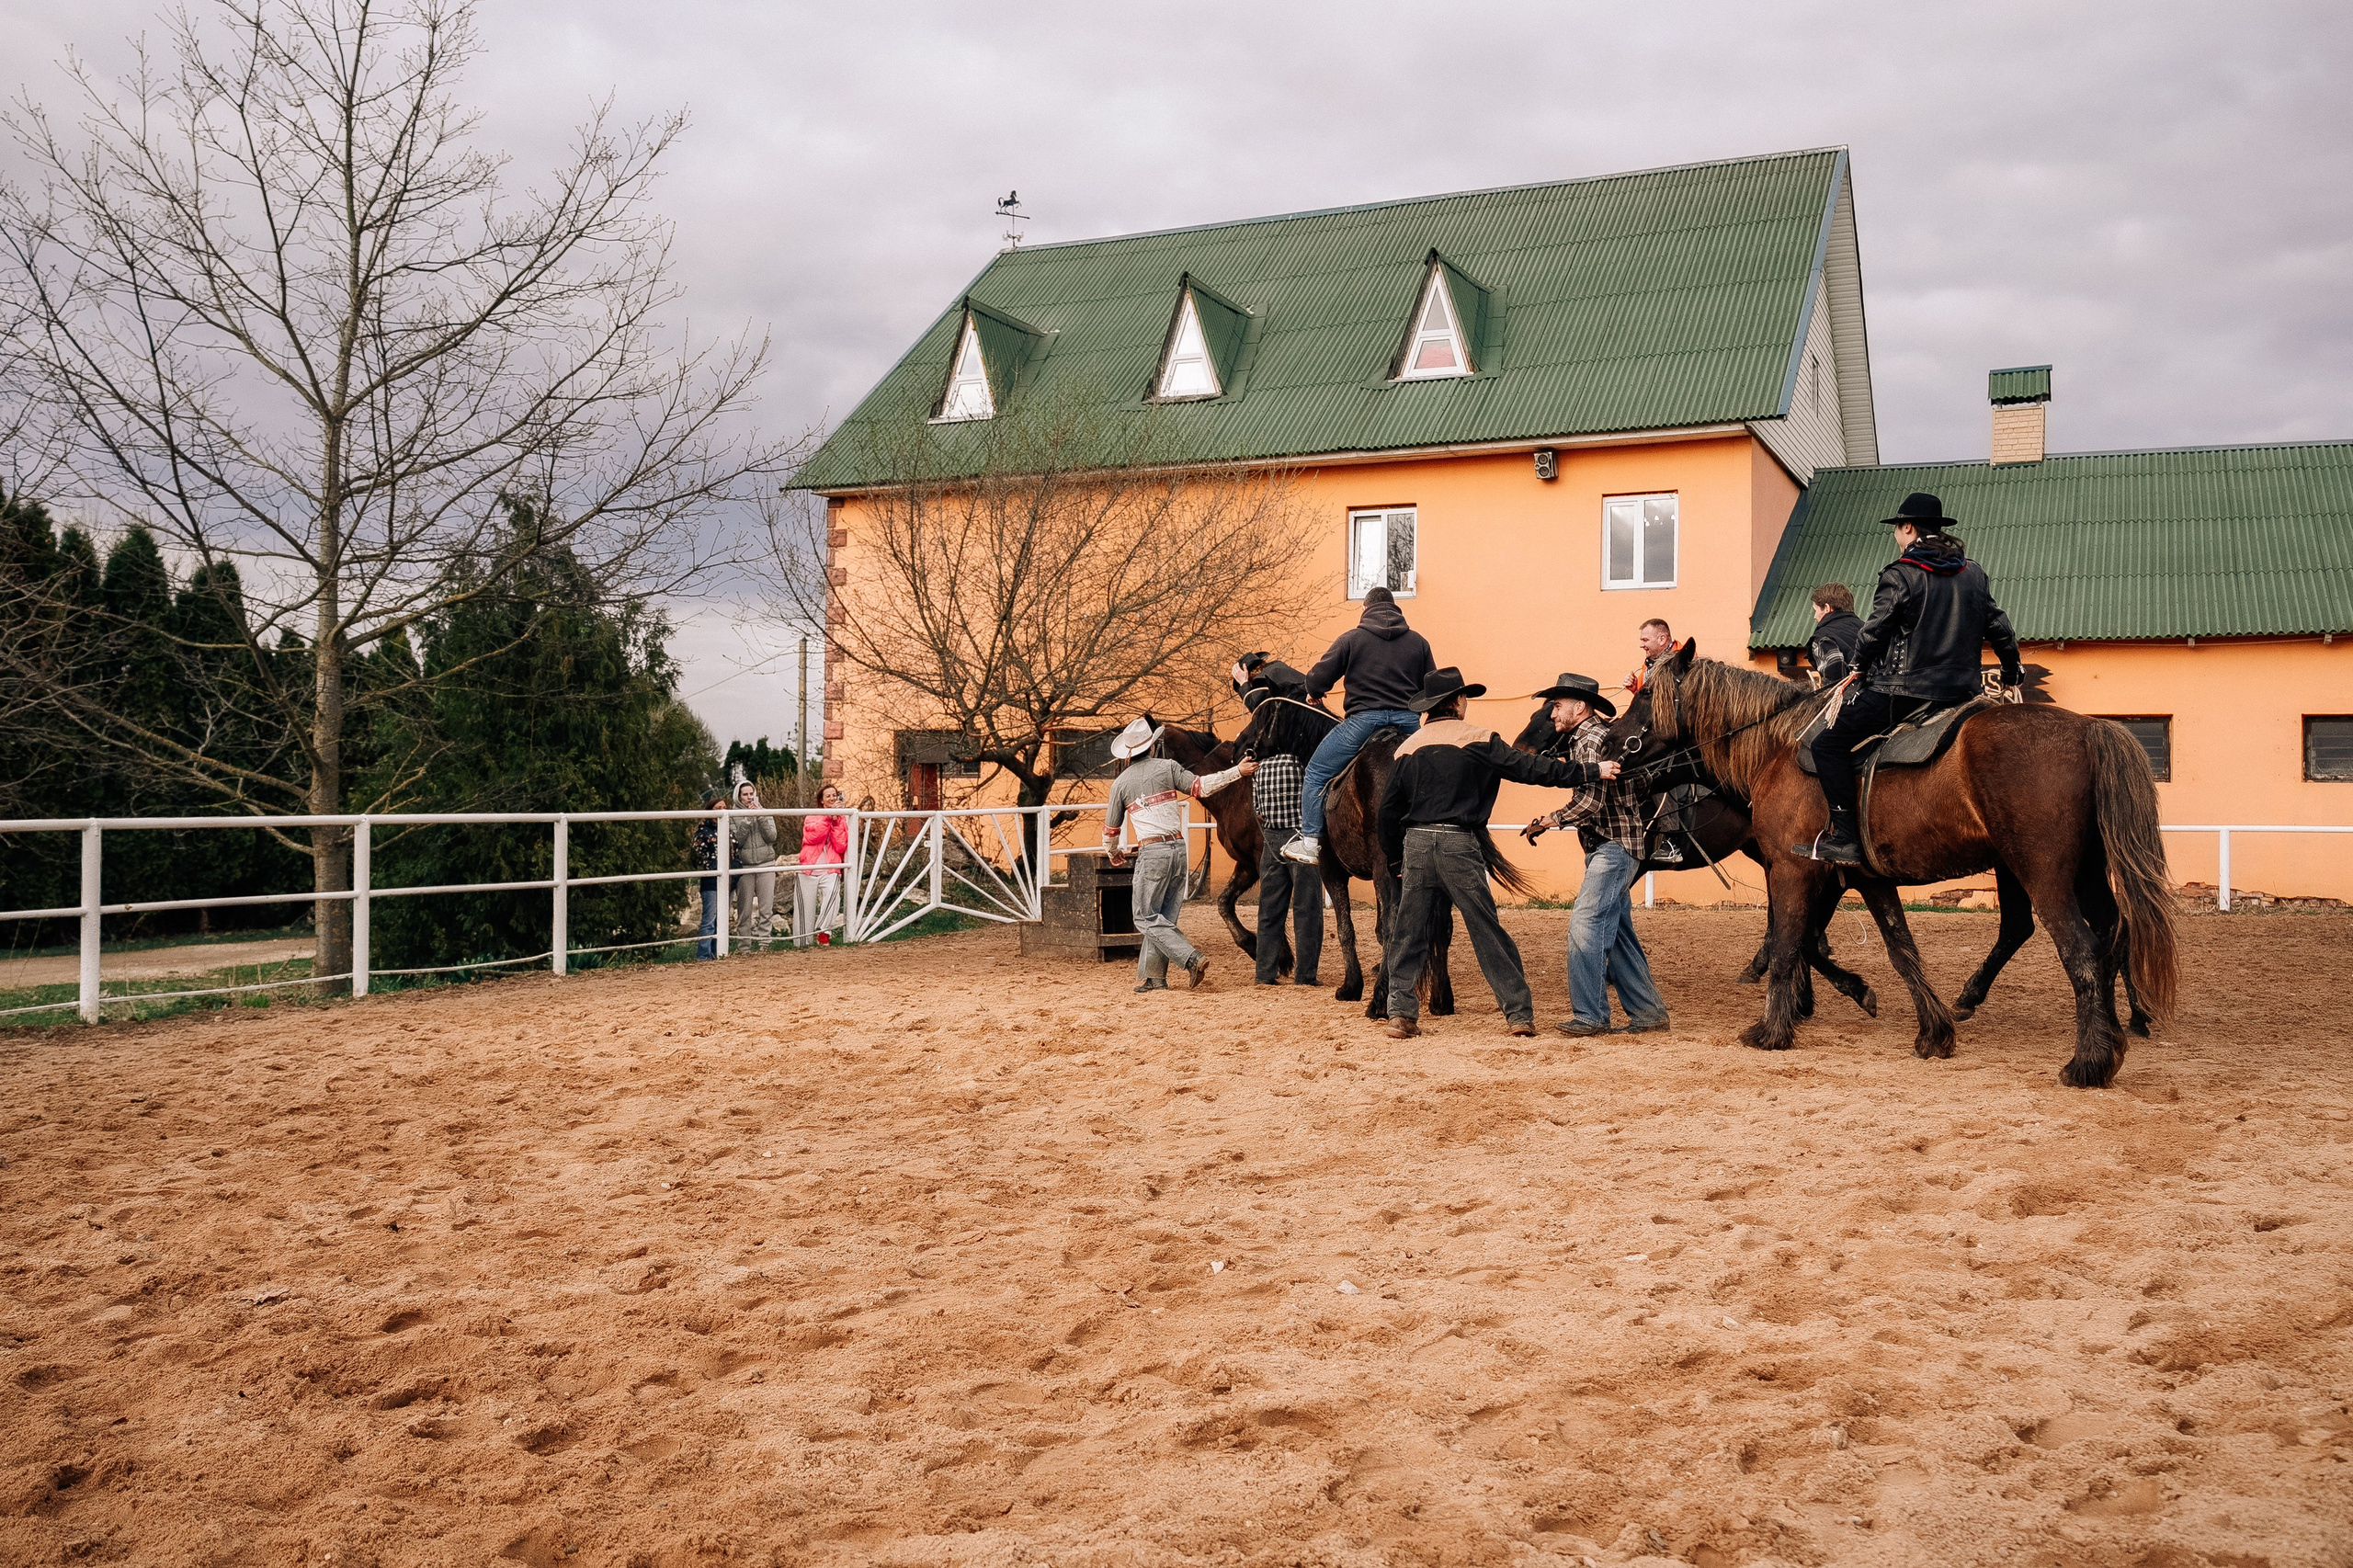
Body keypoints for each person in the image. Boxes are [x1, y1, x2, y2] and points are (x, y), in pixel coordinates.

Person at [1376, 668, 1620, 1040]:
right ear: (1458, 702)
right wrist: (1590, 771)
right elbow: (1533, 769)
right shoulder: (1480, 739)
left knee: (1408, 933)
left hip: (1418, 845)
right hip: (1459, 845)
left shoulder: (1408, 747)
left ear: (1429, 707)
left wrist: (1396, 859)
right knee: (1486, 931)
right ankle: (1518, 1014)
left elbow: (1387, 812)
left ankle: (1400, 1014)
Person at [1805, 493, 2021, 865]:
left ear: (1908, 528)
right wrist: (2011, 670)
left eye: (1897, 529)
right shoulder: (1974, 572)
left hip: (1902, 693)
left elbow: (1874, 632)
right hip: (1963, 694)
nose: (1896, 536)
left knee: (1827, 746)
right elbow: (2000, 627)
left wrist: (1857, 666)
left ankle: (1844, 837)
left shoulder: (1899, 574)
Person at [1526, 673, 1671, 1038]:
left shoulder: (1589, 739)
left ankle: (1590, 1016)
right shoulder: (1595, 736)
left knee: (1584, 925)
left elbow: (1592, 801)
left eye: (1557, 706)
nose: (1552, 713)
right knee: (1618, 935)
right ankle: (1649, 1014)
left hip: (1613, 847)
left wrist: (1550, 820)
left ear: (1579, 706)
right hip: (1617, 846)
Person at [1280, 587, 1436, 866]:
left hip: (1364, 722)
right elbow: (1431, 687)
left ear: (1365, 608)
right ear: (1395, 608)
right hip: (1409, 722)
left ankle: (1311, 842)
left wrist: (1314, 691)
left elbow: (1317, 679)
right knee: (1435, 774)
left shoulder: (1352, 639)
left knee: (1316, 772)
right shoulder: (1419, 642)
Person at [1103, 717, 1255, 992]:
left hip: (1153, 852)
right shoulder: (1169, 767)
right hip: (1178, 849)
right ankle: (1155, 979)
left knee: (1144, 917)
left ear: (1127, 754)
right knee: (1164, 917)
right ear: (1150, 747)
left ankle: (1191, 958)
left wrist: (1113, 853)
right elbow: (1203, 787)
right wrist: (1238, 772)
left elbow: (1110, 831)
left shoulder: (1121, 784)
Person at [1244, 688, 1325, 987]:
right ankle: (1306, 975)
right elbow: (1314, 797)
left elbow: (1259, 812)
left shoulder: (1260, 769)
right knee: (1307, 910)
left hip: (1272, 841)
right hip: (1300, 839)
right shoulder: (1300, 764)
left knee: (1269, 911)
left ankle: (1265, 973)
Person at [793, 783, 849, 947]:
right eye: (828, 796)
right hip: (808, 868)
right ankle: (801, 943)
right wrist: (827, 818)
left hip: (830, 868)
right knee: (804, 908)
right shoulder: (811, 816)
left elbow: (841, 846)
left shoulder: (842, 818)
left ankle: (823, 930)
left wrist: (837, 821)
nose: (832, 798)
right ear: (822, 801)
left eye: (835, 795)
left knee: (833, 895)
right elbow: (812, 838)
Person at [730, 779, 780, 941]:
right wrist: (747, 821)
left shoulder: (764, 812)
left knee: (766, 909)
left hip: (766, 864)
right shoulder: (731, 815)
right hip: (744, 867)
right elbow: (737, 842)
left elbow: (772, 837)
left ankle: (765, 944)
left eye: (752, 794)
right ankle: (744, 947)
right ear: (738, 796)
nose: (749, 797)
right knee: (744, 910)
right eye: (745, 794)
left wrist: (760, 817)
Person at [691, 791, 727, 960]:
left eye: (724, 808)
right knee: (709, 919)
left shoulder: (727, 829)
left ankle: (717, 953)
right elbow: (698, 855)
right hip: (711, 880)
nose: (722, 811)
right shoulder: (702, 832)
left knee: (721, 919)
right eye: (718, 808)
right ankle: (703, 955)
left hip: (728, 879)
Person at [1807, 583, 1864, 687]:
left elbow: (1835, 680)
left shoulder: (1823, 637)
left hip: (1855, 699)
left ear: (1827, 608)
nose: (1815, 617)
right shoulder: (1868, 629)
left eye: (1815, 611)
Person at [1625, 618, 1674, 694]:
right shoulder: (1649, 664)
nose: (1641, 645)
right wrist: (1636, 689)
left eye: (1645, 640)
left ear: (1662, 639)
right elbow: (1648, 702)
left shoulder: (1684, 663)